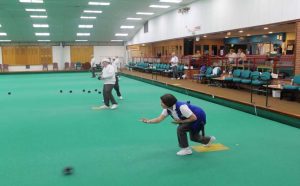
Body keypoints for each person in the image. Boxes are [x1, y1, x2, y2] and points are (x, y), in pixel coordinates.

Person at [140, 94, 216, 156]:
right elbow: (159, 119)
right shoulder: (167, 109)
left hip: (198, 117)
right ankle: (209, 140)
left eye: (162, 102)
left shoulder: (182, 107)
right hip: (190, 118)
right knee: (194, 138)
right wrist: (148, 121)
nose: (160, 104)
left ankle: (186, 149)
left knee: (180, 128)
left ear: (168, 103)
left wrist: (181, 122)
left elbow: (193, 118)